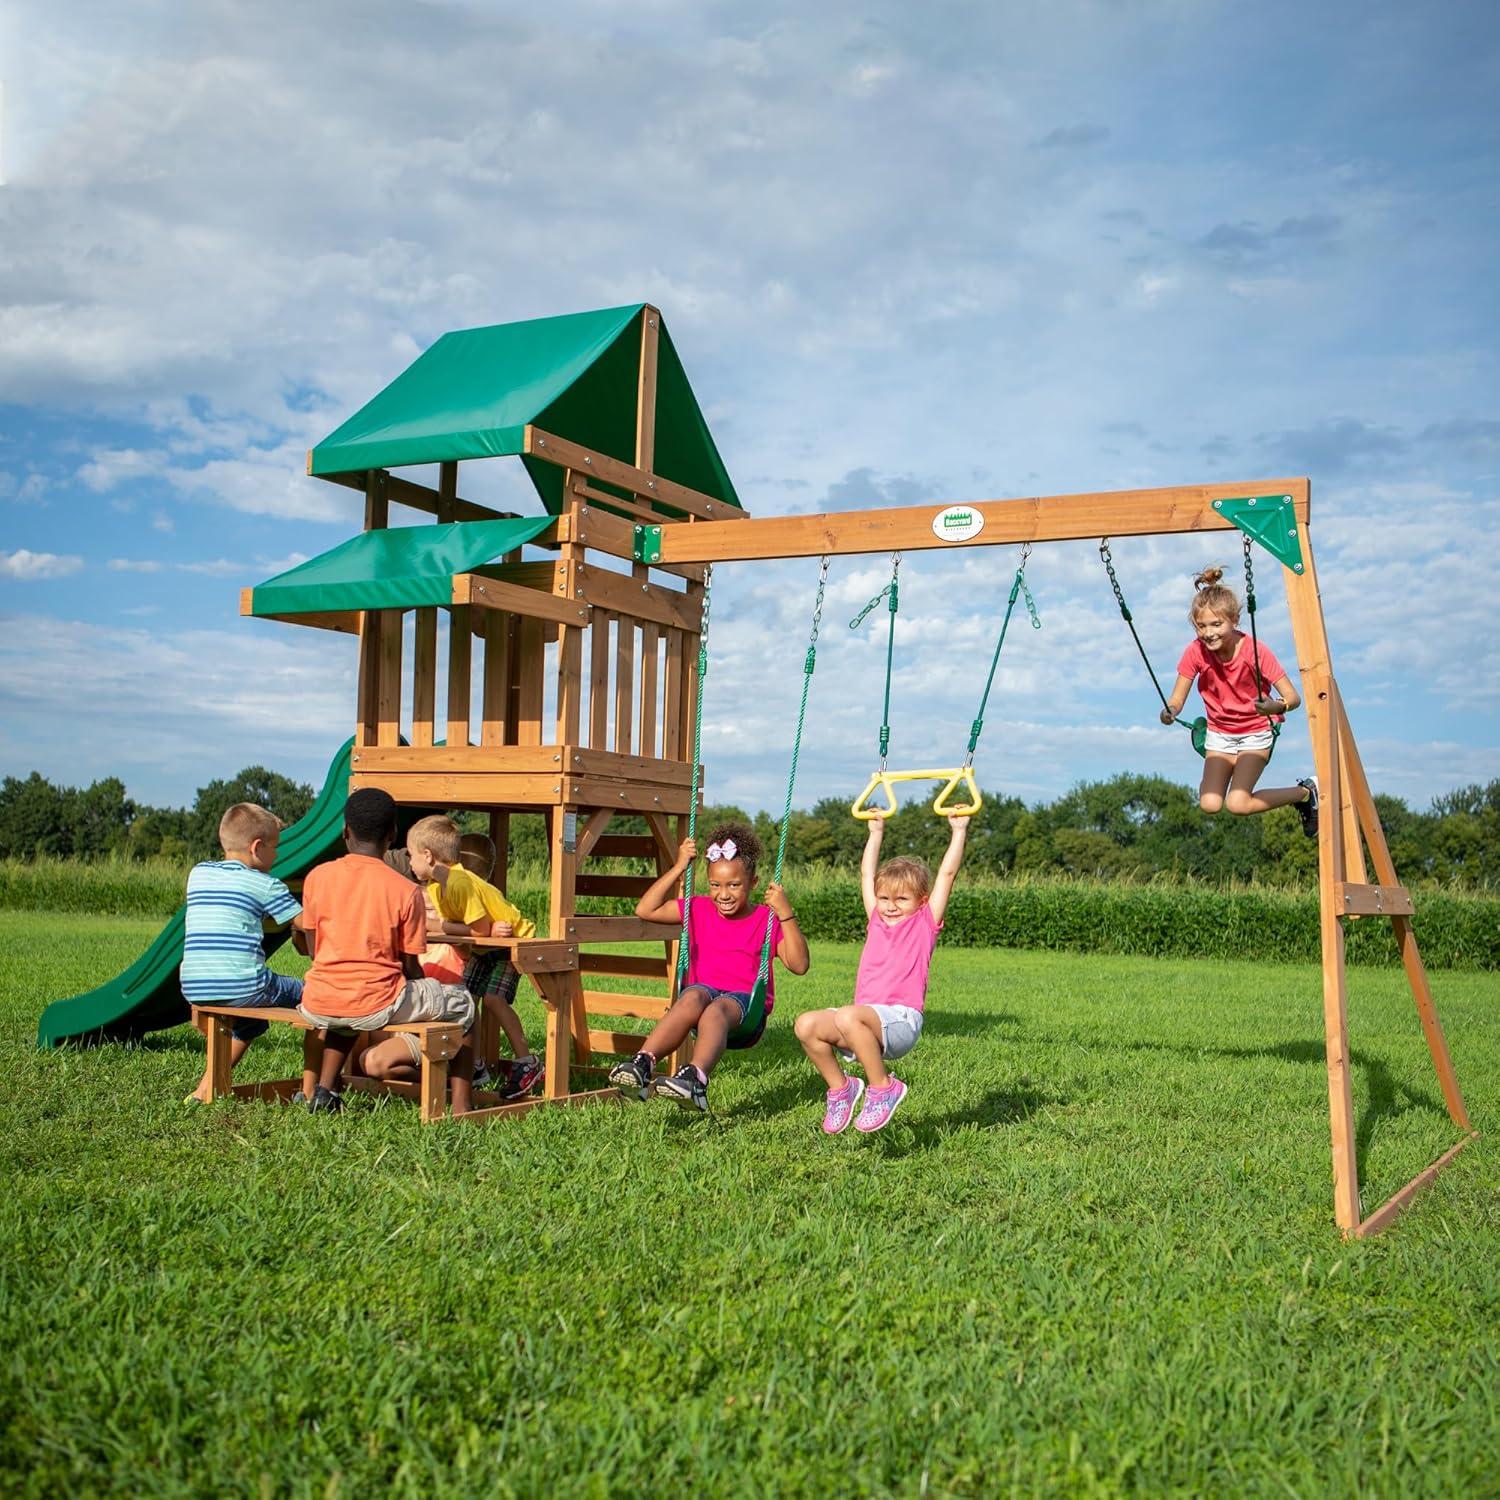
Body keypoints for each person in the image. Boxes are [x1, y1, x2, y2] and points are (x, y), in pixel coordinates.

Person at [296, 788, 476, 1115]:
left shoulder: (316, 878)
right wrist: (426, 991)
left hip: (318, 1000)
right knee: (462, 1003)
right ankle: (462, 1105)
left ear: (345, 831)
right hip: (374, 1002)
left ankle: (325, 1090)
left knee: (347, 1009)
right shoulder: (405, 891)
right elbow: (409, 966)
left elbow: (314, 948)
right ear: (392, 834)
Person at [608, 821, 809, 1112]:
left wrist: (786, 913)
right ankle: (642, 1064)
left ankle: (695, 1080)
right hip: (703, 992)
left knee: (716, 1009)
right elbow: (645, 909)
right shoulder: (698, 908)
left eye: (734, 885)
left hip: (744, 1007)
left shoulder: (766, 919)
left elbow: (799, 965)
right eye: (715, 885)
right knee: (692, 996)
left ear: (753, 883)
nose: (723, 894)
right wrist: (679, 867)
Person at [794, 813, 969, 1135]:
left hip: (901, 1021)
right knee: (806, 1025)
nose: (890, 905)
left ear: (922, 901)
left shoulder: (924, 923)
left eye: (901, 899)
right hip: (865, 1024)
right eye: (885, 898)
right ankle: (841, 1089)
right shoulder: (875, 919)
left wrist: (958, 830)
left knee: (848, 1015)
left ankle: (883, 1087)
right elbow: (865, 875)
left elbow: (947, 873)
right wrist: (875, 832)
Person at [1161, 565, 1319, 836]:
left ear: (1234, 620)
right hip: (1220, 734)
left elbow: (1293, 698)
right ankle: (1211, 748)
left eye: (1216, 624)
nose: (1208, 633)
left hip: (1255, 733)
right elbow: (1177, 697)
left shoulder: (1255, 651)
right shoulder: (1196, 651)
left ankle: (1305, 793)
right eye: (1201, 626)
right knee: (1210, 803)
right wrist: (1170, 711)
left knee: (1238, 803)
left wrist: (1275, 706)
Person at [393, 815, 542, 1100]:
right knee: (467, 998)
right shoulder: (438, 887)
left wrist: (460, 928)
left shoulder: (460, 882)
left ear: (428, 856)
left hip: (512, 943)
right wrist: (454, 929)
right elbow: (453, 930)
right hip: (484, 946)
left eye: (411, 855)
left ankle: (527, 1063)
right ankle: (474, 1064)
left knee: (494, 999)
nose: (409, 863)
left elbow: (478, 929)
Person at [180, 802, 307, 1104]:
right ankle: (315, 1086)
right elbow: (308, 922)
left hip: (193, 987)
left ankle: (205, 1090)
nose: (277, 855)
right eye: (275, 848)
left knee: (251, 1024)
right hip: (245, 986)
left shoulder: (199, 874)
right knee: (314, 992)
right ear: (257, 847)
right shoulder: (265, 884)